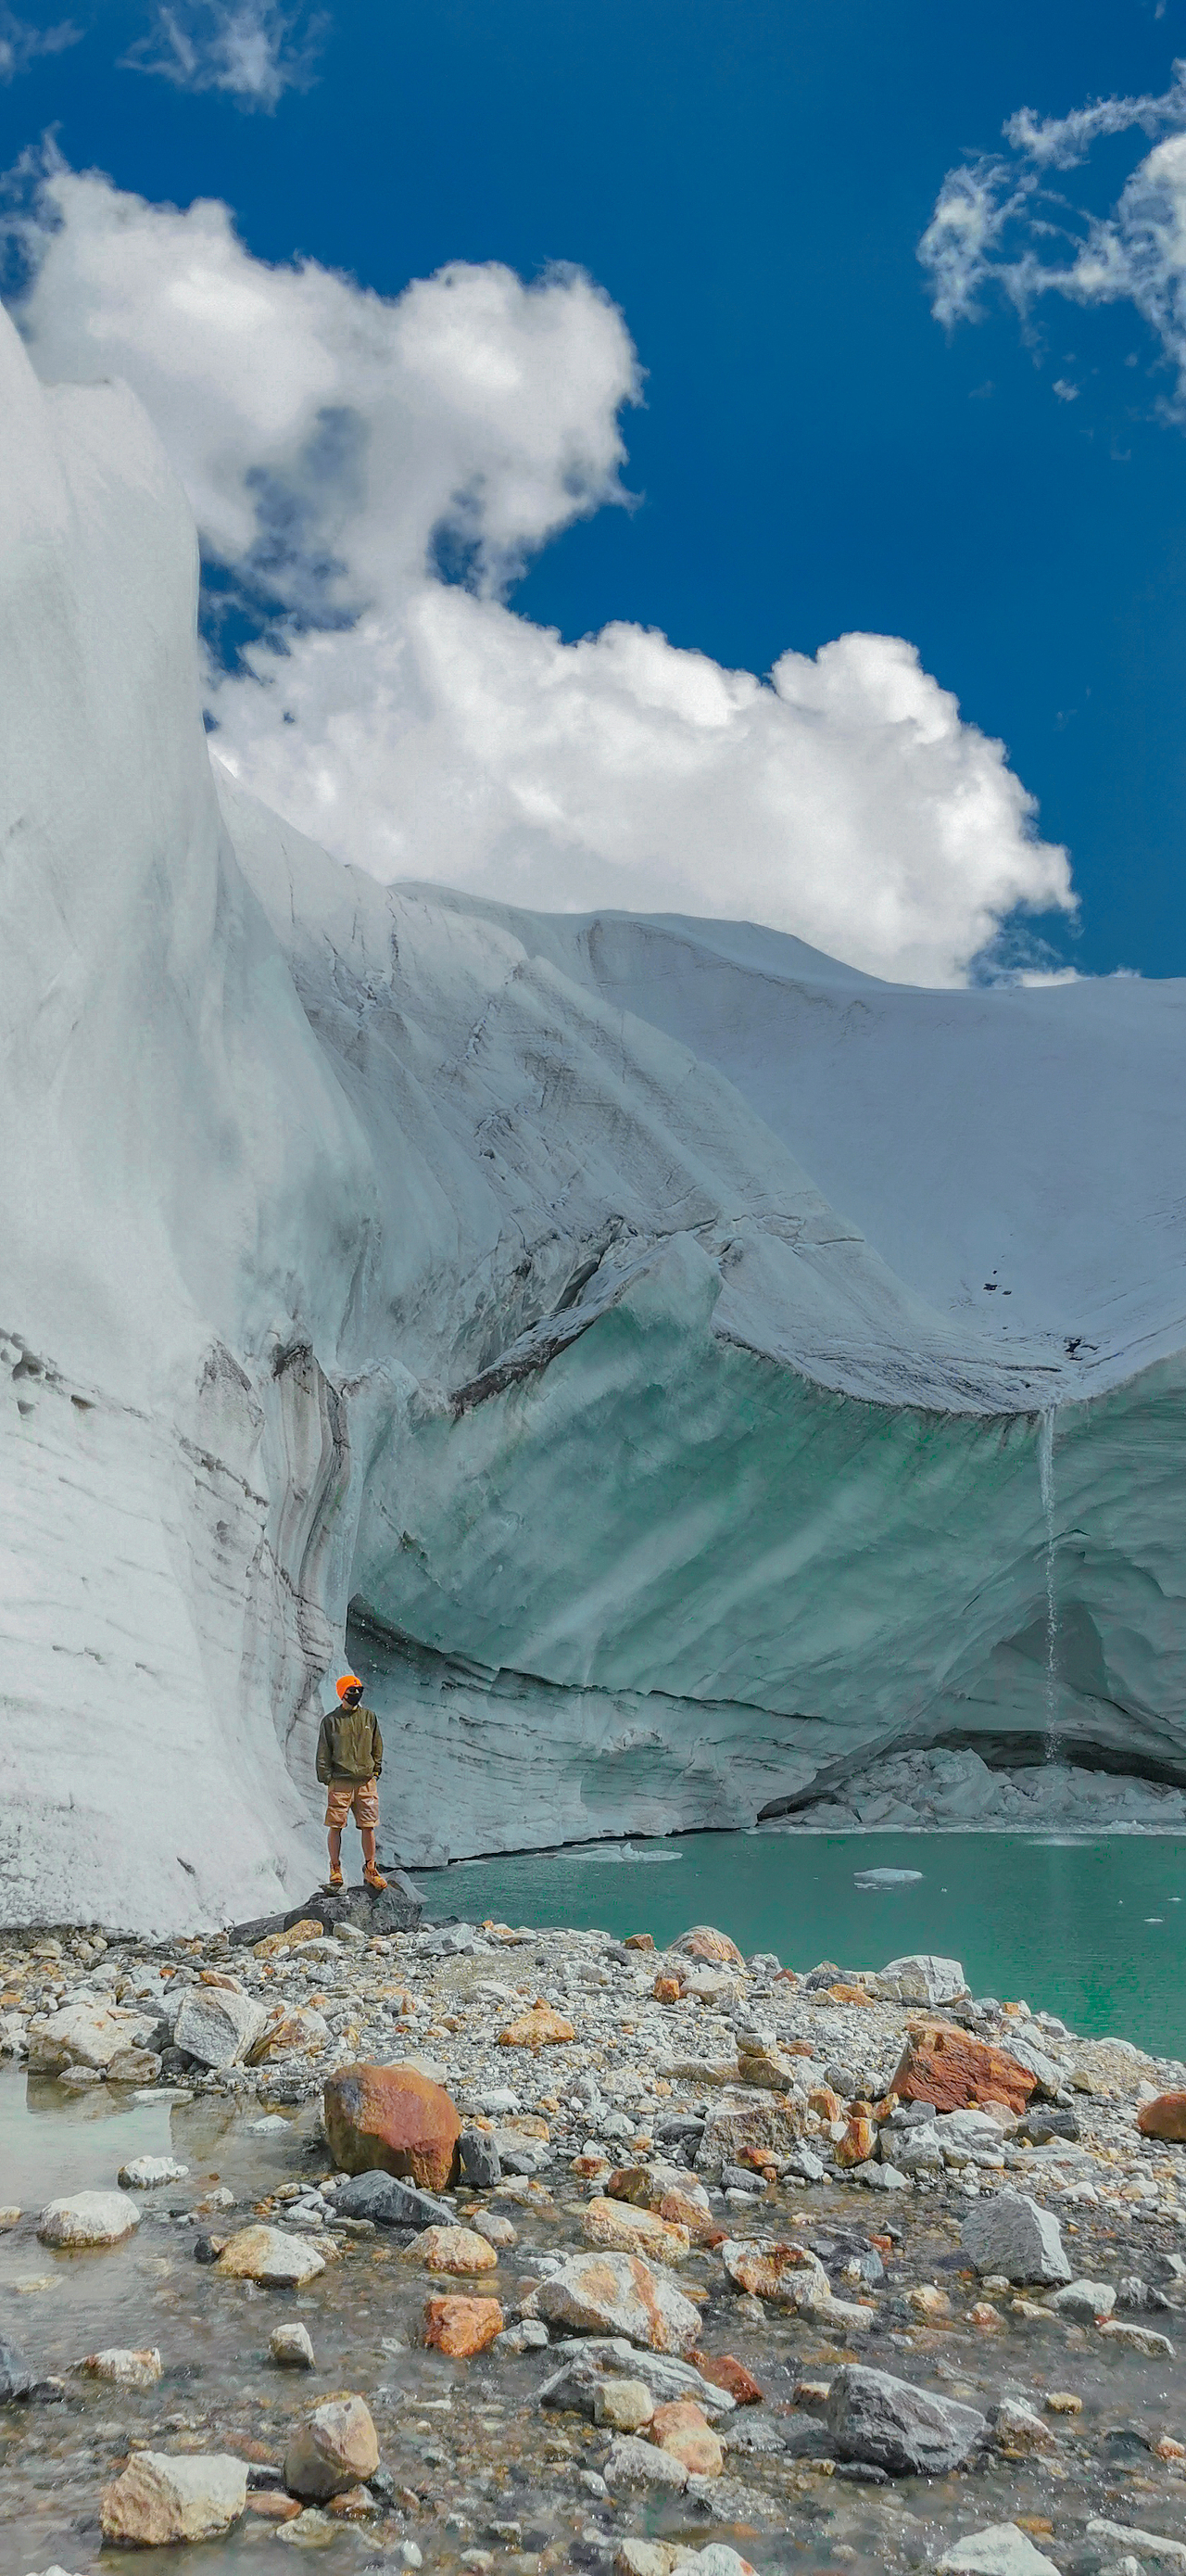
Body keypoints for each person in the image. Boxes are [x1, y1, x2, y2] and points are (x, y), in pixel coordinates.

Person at [316, 1673, 386, 1891]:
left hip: (366, 1782)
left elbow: (377, 1745)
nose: (356, 1694)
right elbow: (323, 1751)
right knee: (336, 1825)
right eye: (352, 1691)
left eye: (359, 1691)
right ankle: (335, 1869)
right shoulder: (331, 1721)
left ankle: (370, 1869)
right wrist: (327, 1777)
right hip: (340, 1782)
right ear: (342, 1693)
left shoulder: (369, 1718)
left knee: (369, 1826)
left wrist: (375, 1770)